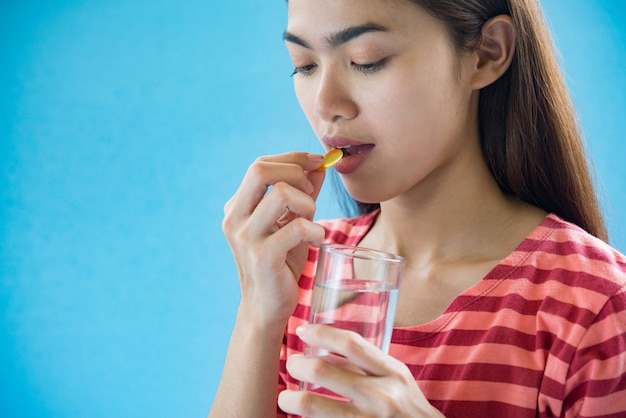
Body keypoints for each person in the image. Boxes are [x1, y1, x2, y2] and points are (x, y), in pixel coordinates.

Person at [208, 0, 626, 416]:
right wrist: (257, 315)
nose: (325, 103)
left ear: (486, 54)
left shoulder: (597, 306)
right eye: (304, 65)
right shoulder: (296, 267)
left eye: (366, 60)